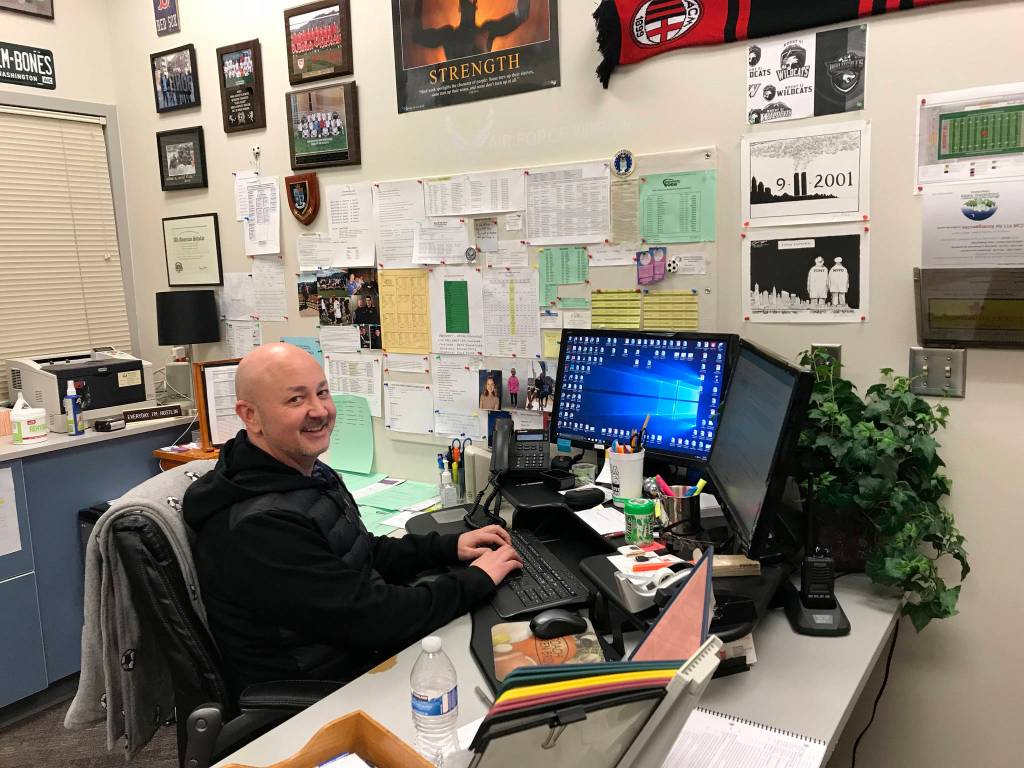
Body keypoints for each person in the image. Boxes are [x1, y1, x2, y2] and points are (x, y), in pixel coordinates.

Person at [183, 344, 522, 695]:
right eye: (295, 400)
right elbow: (372, 618)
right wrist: (476, 580)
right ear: (250, 415)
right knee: (500, 686)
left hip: (356, 652)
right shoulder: (258, 525)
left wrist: (449, 547)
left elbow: (358, 553)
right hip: (325, 693)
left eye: (322, 392)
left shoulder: (299, 472)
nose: (319, 410)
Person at [412, 0, 531, 60]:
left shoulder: (487, 31)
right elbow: (417, 36)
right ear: (459, 6)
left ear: (475, 5)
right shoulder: (447, 35)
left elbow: (521, 15)